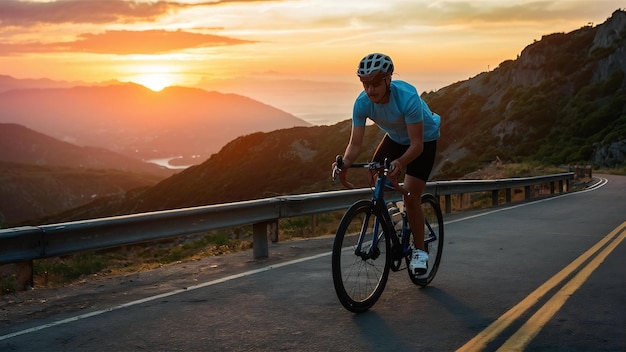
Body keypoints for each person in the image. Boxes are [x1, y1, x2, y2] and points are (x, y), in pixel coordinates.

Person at [333, 52, 441, 275]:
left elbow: (417, 145)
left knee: (410, 198)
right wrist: (344, 163)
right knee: (374, 175)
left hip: (423, 140)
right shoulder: (362, 103)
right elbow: (354, 145)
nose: (370, 90)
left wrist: (399, 163)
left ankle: (420, 252)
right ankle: (393, 214)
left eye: (375, 84)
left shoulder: (407, 97)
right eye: (365, 84)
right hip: (395, 137)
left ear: (387, 80)